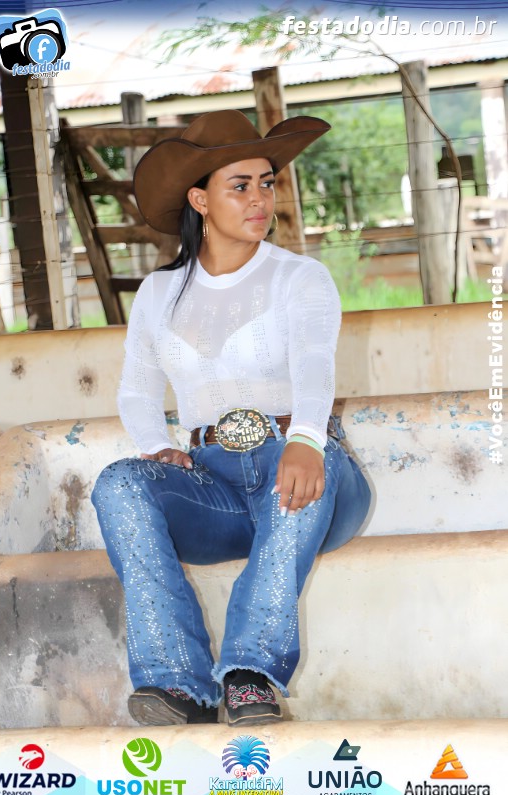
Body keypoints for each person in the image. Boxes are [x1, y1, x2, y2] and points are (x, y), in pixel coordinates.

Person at [91, 109, 372, 727]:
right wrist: (155, 446)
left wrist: (306, 439)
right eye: (240, 186)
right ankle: (178, 685)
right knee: (118, 484)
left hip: (304, 468)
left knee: (304, 472)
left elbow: (315, 367)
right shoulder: (159, 294)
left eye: (266, 183)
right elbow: (136, 389)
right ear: (200, 200)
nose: (260, 199)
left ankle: (250, 673)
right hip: (213, 486)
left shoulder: (300, 277)